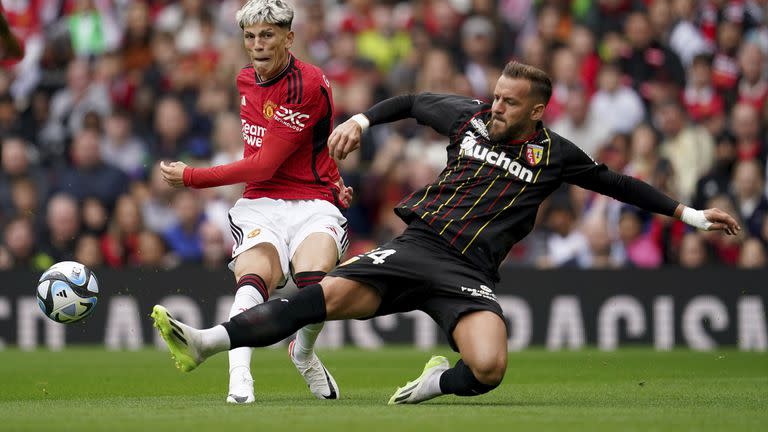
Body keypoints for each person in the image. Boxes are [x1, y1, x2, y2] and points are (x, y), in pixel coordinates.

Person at [152, 61, 740, 405]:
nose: (496, 107)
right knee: (315, 299)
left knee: (488, 370)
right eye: (496, 96)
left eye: (510, 102)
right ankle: (207, 343)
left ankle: (437, 381)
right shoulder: (468, 118)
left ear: (538, 110)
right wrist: (360, 119)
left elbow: (618, 184)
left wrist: (691, 216)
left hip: (468, 274)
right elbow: (409, 101)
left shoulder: (555, 154)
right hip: (417, 247)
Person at [159, 0, 352, 404]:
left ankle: (303, 354)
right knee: (254, 278)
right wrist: (335, 176)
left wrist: (192, 177)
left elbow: (263, 163)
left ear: (289, 37)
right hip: (261, 203)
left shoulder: (308, 84)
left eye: (268, 35)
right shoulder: (245, 79)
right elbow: (296, 151)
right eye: (250, 36)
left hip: (312, 202)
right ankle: (239, 379)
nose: (258, 44)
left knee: (314, 282)